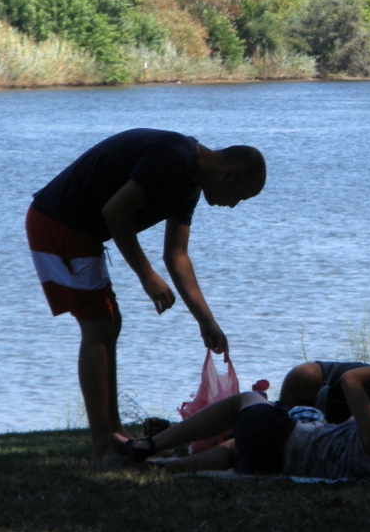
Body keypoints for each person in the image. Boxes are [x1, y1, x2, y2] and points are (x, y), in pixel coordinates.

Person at [26, 128, 266, 468]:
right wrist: (146, 276)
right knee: (98, 327)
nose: (234, 205)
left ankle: (115, 435)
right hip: (60, 222)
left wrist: (206, 321)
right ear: (229, 174)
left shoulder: (190, 183)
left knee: (109, 323)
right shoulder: (173, 158)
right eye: (240, 196)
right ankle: (101, 449)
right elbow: (115, 212)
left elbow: (177, 256)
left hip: (80, 230)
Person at [116, 343, 370, 480]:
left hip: (275, 437)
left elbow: (352, 383)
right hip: (272, 462)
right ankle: (164, 468)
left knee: (246, 402)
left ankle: (150, 445)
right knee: (236, 449)